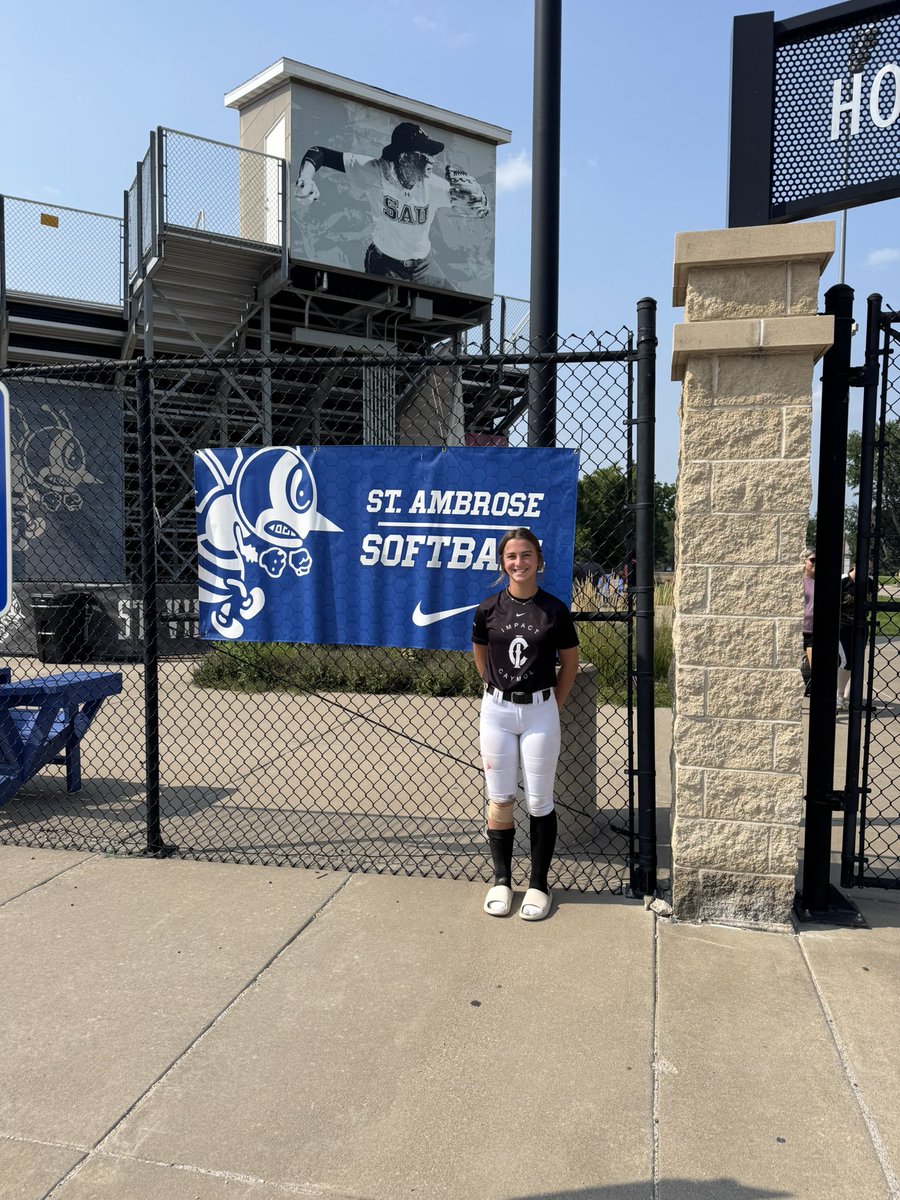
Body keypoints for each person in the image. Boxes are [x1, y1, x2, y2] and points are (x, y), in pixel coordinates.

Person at [471, 527, 580, 921]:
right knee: (500, 798)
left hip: (540, 711)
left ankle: (538, 885)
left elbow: (570, 664)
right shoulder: (487, 609)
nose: (519, 563)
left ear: (539, 560)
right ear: (503, 562)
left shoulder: (554, 610)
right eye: (512, 556)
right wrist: (498, 691)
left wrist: (551, 705)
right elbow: (481, 655)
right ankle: (502, 880)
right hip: (497, 712)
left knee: (539, 801)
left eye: (526, 555)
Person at [295, 121, 489, 288]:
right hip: (385, 264)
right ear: (405, 157)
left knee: (456, 306)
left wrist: (480, 201)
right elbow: (320, 153)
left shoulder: (433, 185)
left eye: (432, 154)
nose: (431, 160)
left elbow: (476, 207)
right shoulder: (376, 172)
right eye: (425, 153)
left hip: (424, 266)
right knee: (381, 315)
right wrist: (306, 178)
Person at [837, 560, 876, 711]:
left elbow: (872, 603)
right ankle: (839, 695)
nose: (867, 571)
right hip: (843, 626)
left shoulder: (870, 584)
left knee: (857, 662)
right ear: (854, 565)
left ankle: (848, 698)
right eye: (865, 567)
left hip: (861, 626)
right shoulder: (843, 581)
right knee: (847, 660)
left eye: (870, 569)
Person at [802, 550, 815, 695]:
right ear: (804, 561)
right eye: (812, 560)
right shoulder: (799, 581)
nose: (815, 563)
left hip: (813, 630)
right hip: (799, 628)